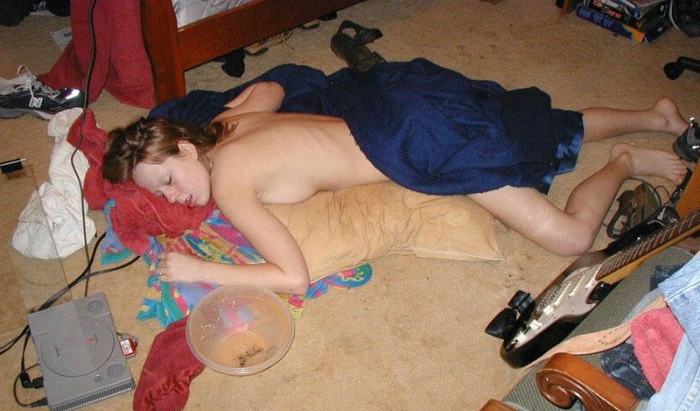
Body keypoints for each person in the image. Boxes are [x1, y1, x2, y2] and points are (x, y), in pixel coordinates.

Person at [102, 60, 692, 296]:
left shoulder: (230, 182)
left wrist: (199, 269)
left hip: (422, 143)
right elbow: (276, 85)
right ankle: (655, 116)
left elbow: (293, 276)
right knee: (536, 127)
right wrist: (236, 107)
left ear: (185, 146)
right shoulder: (231, 122)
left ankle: (623, 161)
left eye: (168, 178)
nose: (176, 197)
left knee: (570, 239)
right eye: (161, 193)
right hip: (398, 103)